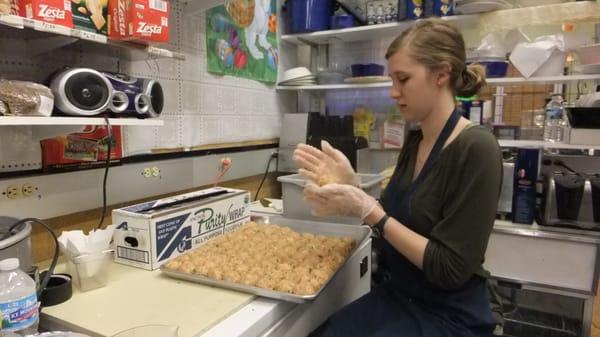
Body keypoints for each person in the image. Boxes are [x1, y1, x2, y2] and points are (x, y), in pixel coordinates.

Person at [293, 18, 503, 337]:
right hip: (400, 296)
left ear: (442, 74)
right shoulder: (416, 140)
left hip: (449, 315)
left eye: (403, 79)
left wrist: (369, 210)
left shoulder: (477, 149)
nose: (394, 92)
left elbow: (449, 269)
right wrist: (352, 188)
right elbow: (399, 219)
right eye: (393, 79)